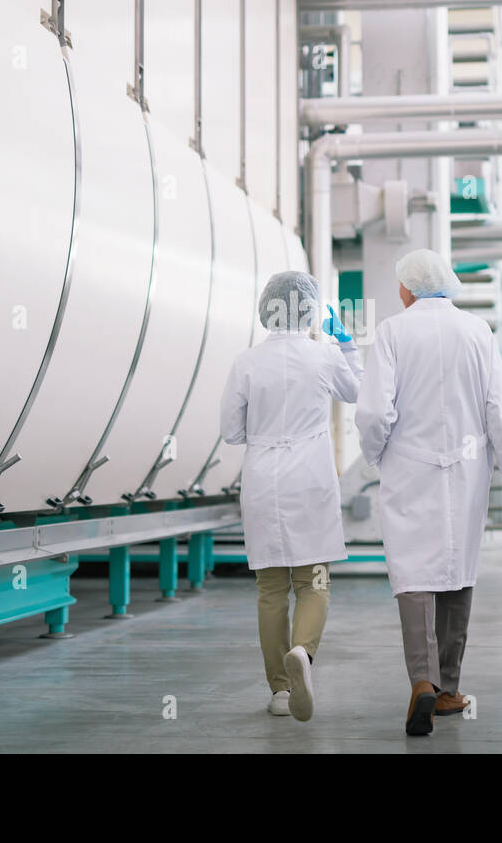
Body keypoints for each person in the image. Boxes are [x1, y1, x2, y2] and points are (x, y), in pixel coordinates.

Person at [355, 249, 502, 736]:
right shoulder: (478, 332)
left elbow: (373, 414)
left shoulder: (391, 332)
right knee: (457, 569)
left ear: (407, 289)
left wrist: (377, 453)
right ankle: (450, 688)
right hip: (466, 471)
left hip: (408, 468)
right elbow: (500, 412)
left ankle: (421, 683)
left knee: (412, 573)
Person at [219, 271, 362, 722]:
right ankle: (302, 651)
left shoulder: (246, 362)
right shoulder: (323, 356)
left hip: (263, 480)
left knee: (270, 591)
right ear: (311, 310)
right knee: (313, 581)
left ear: (267, 308)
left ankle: (280, 691)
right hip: (311, 480)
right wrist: (347, 346)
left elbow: (230, 432)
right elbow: (358, 392)